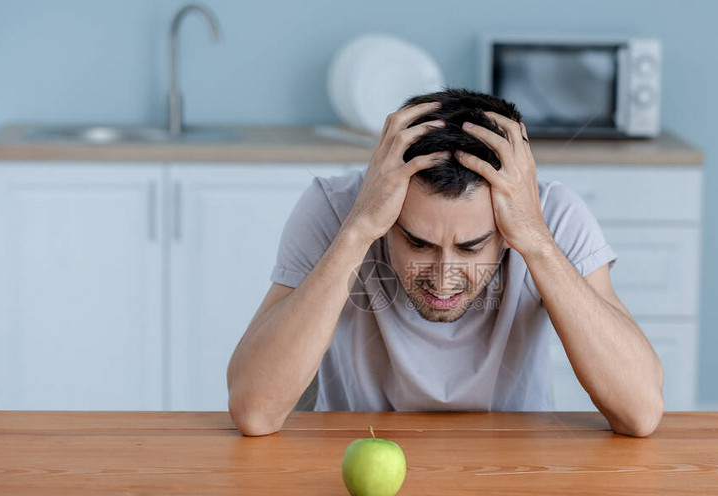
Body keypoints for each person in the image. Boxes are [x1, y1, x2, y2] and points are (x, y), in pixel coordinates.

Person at [227, 87, 664, 437]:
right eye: (418, 243)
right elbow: (255, 412)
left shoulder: (551, 216)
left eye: (472, 246)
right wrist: (359, 228)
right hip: (352, 459)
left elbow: (640, 412)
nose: (444, 277)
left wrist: (537, 241)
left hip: (513, 468)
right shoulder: (335, 209)